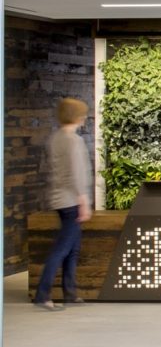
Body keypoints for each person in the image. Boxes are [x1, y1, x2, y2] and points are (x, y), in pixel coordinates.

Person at [33, 98, 93, 311]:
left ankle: (70, 293)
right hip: (72, 201)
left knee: (72, 249)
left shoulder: (56, 138)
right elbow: (77, 174)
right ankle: (43, 294)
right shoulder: (73, 140)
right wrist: (83, 201)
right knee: (62, 249)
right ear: (78, 116)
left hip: (59, 199)